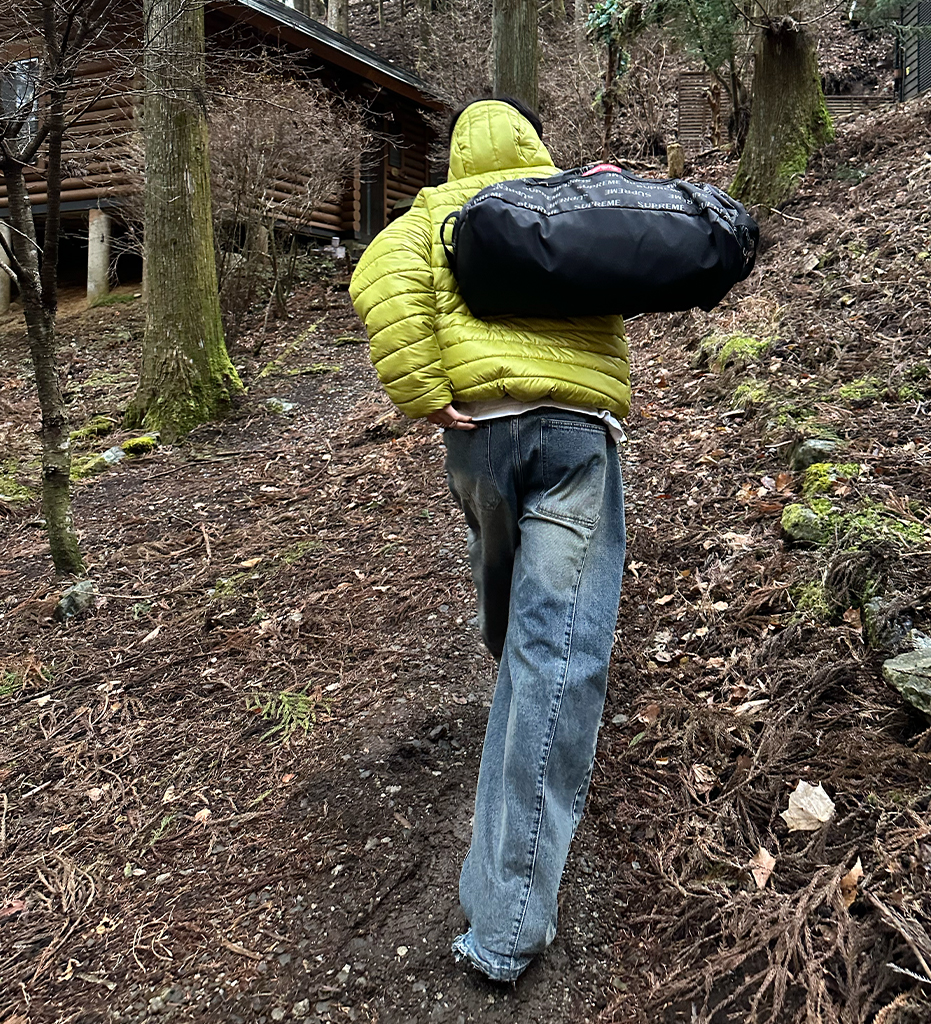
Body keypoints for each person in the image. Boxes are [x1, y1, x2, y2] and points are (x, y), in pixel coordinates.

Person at [349, 97, 630, 983]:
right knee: (553, 649)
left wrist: (424, 392)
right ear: (535, 144)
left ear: (458, 158)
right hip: (575, 434)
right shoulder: (569, 201)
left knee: (505, 592)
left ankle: (515, 673)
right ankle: (508, 919)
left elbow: (378, 278)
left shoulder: (433, 213)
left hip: (479, 437)